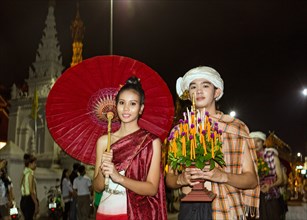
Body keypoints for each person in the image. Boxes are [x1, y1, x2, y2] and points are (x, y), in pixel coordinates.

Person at [166, 66, 260, 220]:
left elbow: (251, 180)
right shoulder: (179, 131)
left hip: (226, 209)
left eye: (205, 85)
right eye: (193, 87)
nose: (199, 91)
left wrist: (222, 176)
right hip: (190, 209)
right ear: (188, 94)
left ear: (217, 92)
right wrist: (181, 179)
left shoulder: (236, 128)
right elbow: (169, 178)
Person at [93, 76, 167, 220]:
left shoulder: (151, 142)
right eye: (122, 103)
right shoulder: (104, 141)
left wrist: (119, 177)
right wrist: (104, 169)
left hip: (134, 214)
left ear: (141, 109)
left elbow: (152, 189)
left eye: (133, 104)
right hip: (105, 212)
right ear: (116, 106)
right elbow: (97, 187)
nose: (126, 109)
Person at [250, 131, 283, 220]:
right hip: (254, 199)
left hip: (271, 197)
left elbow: (281, 179)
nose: (255, 144)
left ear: (263, 142)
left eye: (258, 141)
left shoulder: (272, 156)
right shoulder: (249, 157)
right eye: (253, 141)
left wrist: (270, 186)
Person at [20, 153, 38, 220]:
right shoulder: (30, 174)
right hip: (29, 200)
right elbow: (31, 190)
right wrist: (36, 202)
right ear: (30, 164)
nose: (36, 165)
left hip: (23, 200)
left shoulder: (24, 173)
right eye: (35, 163)